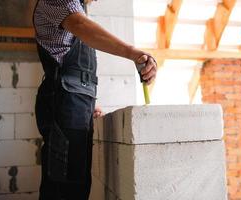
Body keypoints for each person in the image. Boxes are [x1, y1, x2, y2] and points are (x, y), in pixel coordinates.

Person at [33, 0, 157, 199]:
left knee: (77, 183)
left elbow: (75, 74)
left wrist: (87, 106)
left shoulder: (79, 9)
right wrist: (133, 53)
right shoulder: (61, 3)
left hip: (75, 105)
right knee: (63, 185)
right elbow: (81, 26)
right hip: (63, 104)